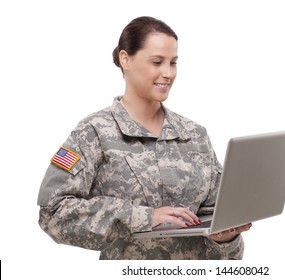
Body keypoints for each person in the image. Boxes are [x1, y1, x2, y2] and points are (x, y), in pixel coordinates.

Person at [37, 16, 251, 260]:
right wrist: (146, 217)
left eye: (173, 63)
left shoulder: (195, 135)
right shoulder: (94, 132)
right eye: (157, 62)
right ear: (125, 59)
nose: (168, 73)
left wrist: (226, 239)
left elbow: (218, 220)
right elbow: (53, 213)